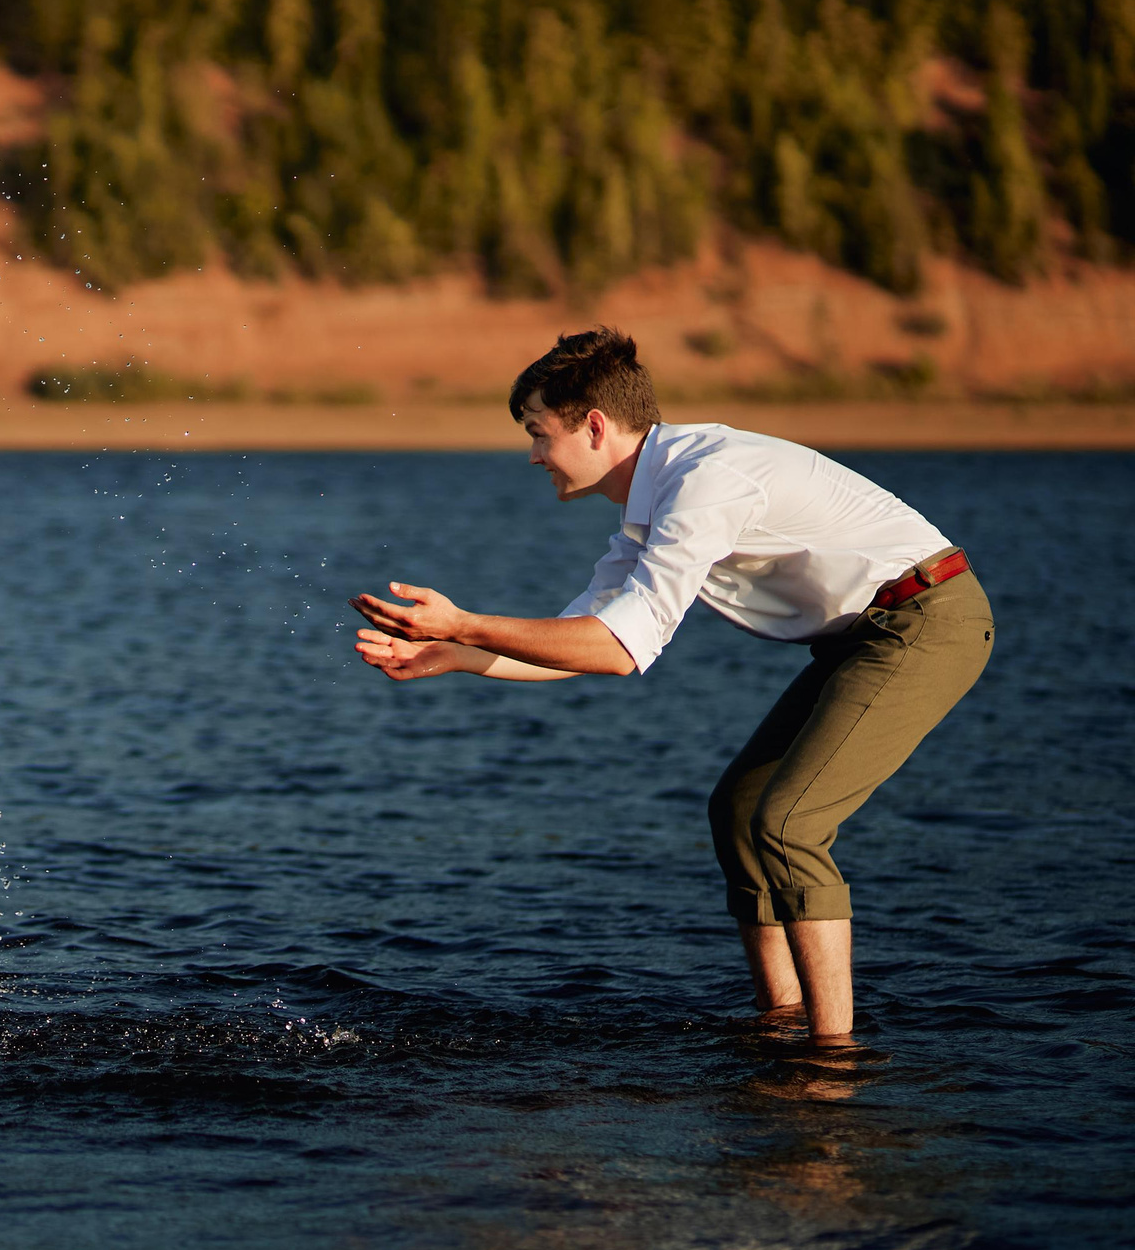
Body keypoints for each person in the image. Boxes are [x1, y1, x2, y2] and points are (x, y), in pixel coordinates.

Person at [349, 328, 992, 1042]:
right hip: (860, 636)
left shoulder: (704, 482)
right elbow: (582, 637)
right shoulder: (650, 509)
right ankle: (779, 1022)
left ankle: (832, 1054)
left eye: (538, 433)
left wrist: (468, 624)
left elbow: (621, 649)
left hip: (925, 617)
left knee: (789, 822)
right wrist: (459, 653)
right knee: (740, 807)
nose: (532, 454)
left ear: (594, 426)